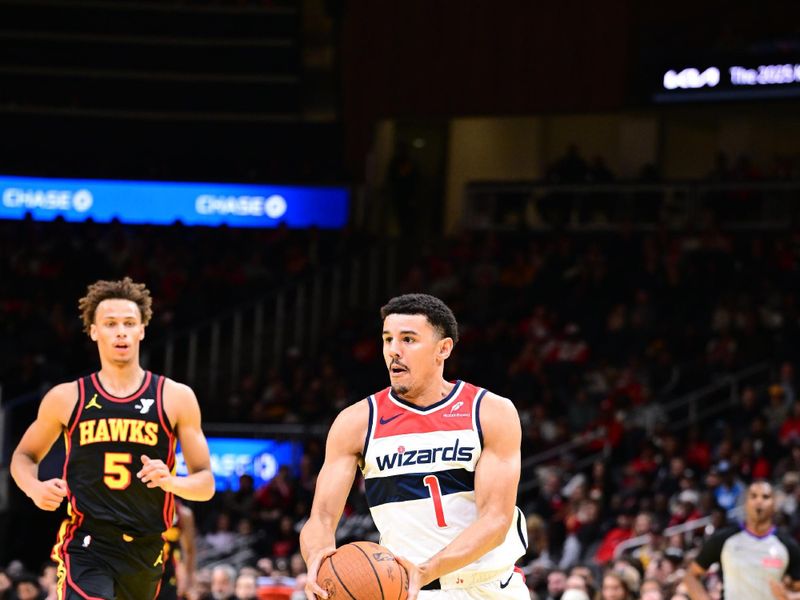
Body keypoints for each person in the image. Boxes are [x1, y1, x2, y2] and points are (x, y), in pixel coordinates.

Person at [300, 293, 528, 599]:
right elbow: (322, 519)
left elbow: (496, 520)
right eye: (387, 339)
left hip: (487, 586)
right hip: (406, 591)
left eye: (408, 339)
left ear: (443, 349)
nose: (394, 351)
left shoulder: (489, 412)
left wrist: (427, 569)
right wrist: (317, 555)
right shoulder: (357, 421)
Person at [10, 277, 215, 600]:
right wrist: (34, 488)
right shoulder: (67, 397)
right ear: (93, 331)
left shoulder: (175, 397)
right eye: (110, 323)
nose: (120, 331)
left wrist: (172, 482)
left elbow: (206, 483)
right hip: (87, 544)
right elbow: (23, 457)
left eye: (129, 323)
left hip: (147, 547)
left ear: (142, 330)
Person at [683, 480, 800, 600]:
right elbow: (691, 576)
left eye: (765, 497)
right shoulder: (724, 539)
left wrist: (790, 596)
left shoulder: (788, 545)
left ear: (774, 504)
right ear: (745, 503)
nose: (759, 501)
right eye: (753, 496)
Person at [158, 500, 197, 600]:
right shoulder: (141, 505)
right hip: (142, 570)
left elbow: (189, 551)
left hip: (169, 575)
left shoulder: (183, 513)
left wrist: (188, 580)